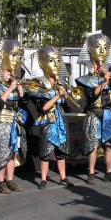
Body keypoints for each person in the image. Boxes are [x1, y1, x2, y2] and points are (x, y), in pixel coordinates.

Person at [75, 34, 111, 184]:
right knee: (92, 145)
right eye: (98, 48)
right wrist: (104, 83)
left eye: (105, 48)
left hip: (109, 113)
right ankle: (91, 173)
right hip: (94, 113)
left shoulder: (110, 75)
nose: (102, 51)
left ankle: (109, 172)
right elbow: (91, 95)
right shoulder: (85, 78)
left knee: (110, 144)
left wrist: (110, 79)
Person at [28, 46, 74, 190]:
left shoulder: (62, 84)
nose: (56, 64)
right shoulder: (39, 84)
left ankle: (63, 178)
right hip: (48, 122)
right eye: (51, 61)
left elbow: (71, 106)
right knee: (45, 152)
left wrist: (65, 95)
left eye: (58, 60)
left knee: (61, 153)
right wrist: (56, 96)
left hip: (60, 122)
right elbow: (43, 108)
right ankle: (43, 179)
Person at [0, 39, 28, 194]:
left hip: (14, 124)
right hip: (1, 123)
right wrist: (10, 88)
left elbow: (25, 102)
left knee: (12, 153)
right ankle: (0, 182)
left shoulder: (16, 84)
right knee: (1, 153)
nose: (10, 73)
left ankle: (10, 180)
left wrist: (20, 89)